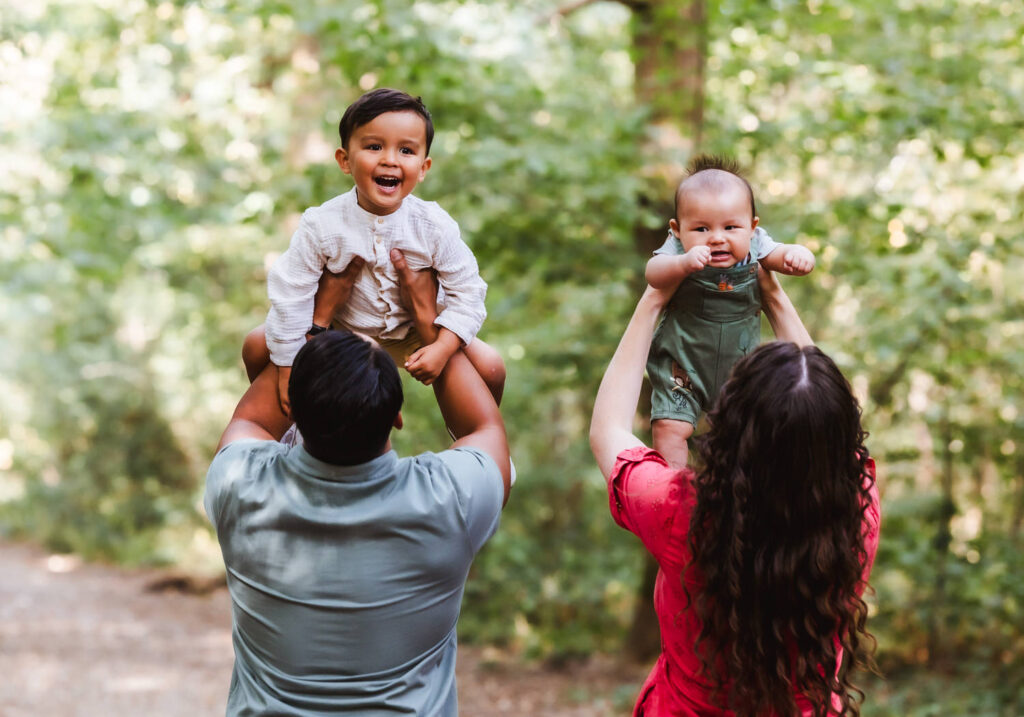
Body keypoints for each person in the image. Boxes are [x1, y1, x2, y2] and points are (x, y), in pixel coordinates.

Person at [205, 251, 510, 716]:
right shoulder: (449, 501)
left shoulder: (240, 488)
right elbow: (485, 428)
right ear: (397, 418)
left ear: (294, 412)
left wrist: (318, 317)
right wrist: (428, 323)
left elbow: (252, 419)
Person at [589, 271, 879, 716]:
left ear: (729, 423)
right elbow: (823, 422)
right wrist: (773, 296)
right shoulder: (857, 514)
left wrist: (654, 299)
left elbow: (608, 429)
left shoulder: (681, 512)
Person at [243, 87, 505, 415]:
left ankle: (478, 448)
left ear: (423, 168)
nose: (390, 159)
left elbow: (468, 292)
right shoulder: (322, 224)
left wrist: (443, 346)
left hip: (412, 332)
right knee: (256, 345)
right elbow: (291, 293)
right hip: (342, 329)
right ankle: (293, 430)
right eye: (374, 146)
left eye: (406, 150)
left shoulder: (434, 225)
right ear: (345, 160)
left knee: (492, 366)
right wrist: (287, 370)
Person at [645, 154, 816, 468]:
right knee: (670, 426)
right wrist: (682, 264)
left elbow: (780, 256)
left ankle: (736, 492)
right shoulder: (677, 249)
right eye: (701, 228)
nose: (717, 238)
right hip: (681, 365)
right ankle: (671, 489)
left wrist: (798, 254)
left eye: (730, 226)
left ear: (752, 228)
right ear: (677, 229)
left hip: (740, 369)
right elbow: (653, 273)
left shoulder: (757, 246)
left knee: (745, 434)